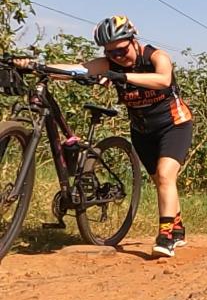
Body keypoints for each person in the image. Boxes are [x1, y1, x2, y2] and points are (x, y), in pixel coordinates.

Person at [18, 15, 193, 258]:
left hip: (174, 125)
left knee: (165, 175)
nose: (117, 57)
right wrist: (35, 65)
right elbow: (76, 70)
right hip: (142, 130)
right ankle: (178, 228)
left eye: (121, 51)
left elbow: (163, 80)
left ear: (133, 41)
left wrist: (120, 76)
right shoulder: (109, 63)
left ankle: (166, 237)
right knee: (161, 181)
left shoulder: (155, 56)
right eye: (110, 53)